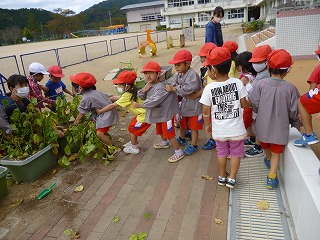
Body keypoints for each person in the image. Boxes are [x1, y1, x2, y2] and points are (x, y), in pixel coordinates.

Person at [200, 47, 251, 188]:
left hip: (220, 130)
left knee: (221, 153)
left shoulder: (209, 88)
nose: (207, 72)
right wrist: (250, 103)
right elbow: (244, 104)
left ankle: (222, 177)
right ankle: (232, 178)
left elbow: (205, 109)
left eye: (208, 69)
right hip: (236, 129)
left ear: (214, 70)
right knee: (236, 153)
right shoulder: (237, 83)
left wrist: (207, 124)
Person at [249, 49, 301, 189]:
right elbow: (294, 110)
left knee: (265, 146)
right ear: (287, 70)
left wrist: (258, 111)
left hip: (262, 127)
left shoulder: (260, 84)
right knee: (277, 153)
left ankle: (268, 160)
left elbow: (253, 101)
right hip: (280, 129)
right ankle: (272, 177)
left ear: (268, 67)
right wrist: (296, 124)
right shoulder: (291, 88)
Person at [133, 61, 184, 163]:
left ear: (158, 74)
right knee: (160, 130)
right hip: (159, 114)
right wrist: (144, 90)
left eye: (151, 73)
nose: (148, 76)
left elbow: (153, 101)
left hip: (166, 115)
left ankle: (178, 152)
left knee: (169, 134)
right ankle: (164, 142)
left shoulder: (161, 87)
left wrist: (140, 105)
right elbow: (141, 96)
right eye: (146, 73)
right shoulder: (149, 84)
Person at [96, 70, 151, 154]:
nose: (118, 86)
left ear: (127, 86)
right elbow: (119, 97)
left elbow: (112, 106)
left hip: (144, 115)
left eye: (120, 85)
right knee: (131, 127)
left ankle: (134, 147)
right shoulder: (132, 90)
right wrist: (109, 98)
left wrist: (100, 111)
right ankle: (134, 142)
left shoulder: (128, 95)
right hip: (142, 114)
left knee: (133, 130)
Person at [70, 72, 119, 156]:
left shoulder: (86, 97)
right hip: (108, 112)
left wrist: (77, 120)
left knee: (100, 134)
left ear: (80, 88)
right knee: (99, 130)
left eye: (74, 88)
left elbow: (82, 112)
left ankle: (111, 149)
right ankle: (107, 143)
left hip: (106, 115)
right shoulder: (94, 92)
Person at [166, 49, 203, 155]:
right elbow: (175, 82)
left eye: (178, 65)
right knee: (183, 123)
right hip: (186, 104)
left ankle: (194, 145)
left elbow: (188, 89)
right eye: (175, 65)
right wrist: (170, 85)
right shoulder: (180, 74)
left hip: (194, 105)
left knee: (194, 127)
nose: (176, 68)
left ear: (188, 63)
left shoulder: (192, 75)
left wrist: (174, 89)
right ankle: (182, 138)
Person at [188, 42, 217, 150]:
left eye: (204, 57)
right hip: (210, 100)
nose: (202, 59)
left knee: (211, 121)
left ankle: (213, 139)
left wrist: (196, 95)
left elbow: (207, 87)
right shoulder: (207, 69)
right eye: (201, 57)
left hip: (212, 102)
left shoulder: (212, 70)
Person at [245, 44, 272, 155]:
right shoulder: (264, 72)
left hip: (262, 106)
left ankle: (258, 147)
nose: (255, 65)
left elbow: (251, 90)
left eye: (258, 62)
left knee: (259, 126)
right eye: (254, 62)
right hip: (260, 105)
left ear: (267, 61)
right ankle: (256, 142)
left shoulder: (264, 74)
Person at [294, 46, 320, 146]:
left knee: (302, 102)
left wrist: (303, 112)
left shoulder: (318, 68)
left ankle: (309, 135)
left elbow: (312, 91)